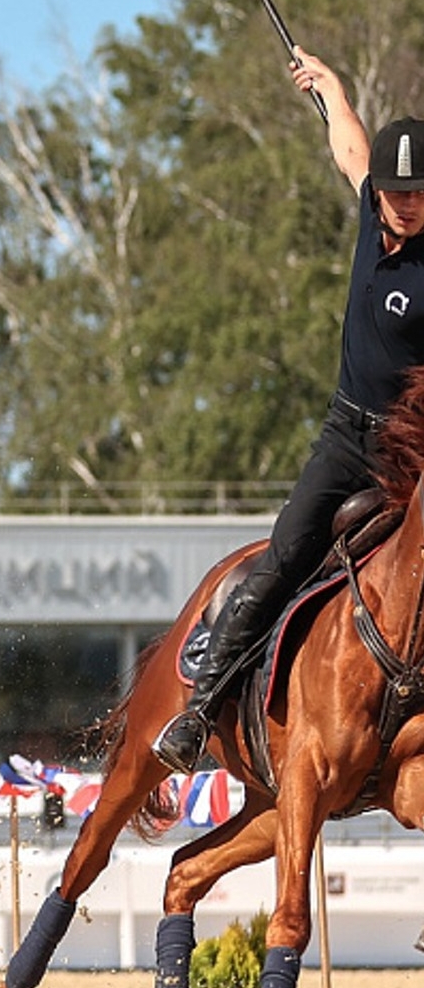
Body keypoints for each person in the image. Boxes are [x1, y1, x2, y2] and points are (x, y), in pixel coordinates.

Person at [153, 48, 424, 774]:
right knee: (281, 558)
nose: (400, 202)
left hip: (406, 455)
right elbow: (349, 148)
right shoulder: (372, 212)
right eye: (394, 191)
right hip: (344, 438)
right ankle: (199, 709)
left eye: (415, 192)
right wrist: (330, 88)